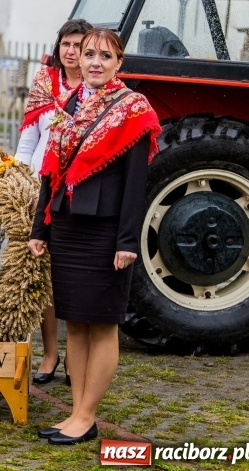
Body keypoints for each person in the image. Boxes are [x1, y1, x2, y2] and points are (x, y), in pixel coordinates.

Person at [29, 28, 161, 445]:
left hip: (106, 232)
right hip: (67, 226)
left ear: (119, 63)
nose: (95, 62)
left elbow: (136, 183)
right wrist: (40, 228)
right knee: (76, 324)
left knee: (102, 325)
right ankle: (75, 414)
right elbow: (50, 170)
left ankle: (86, 416)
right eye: (89, 54)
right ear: (79, 59)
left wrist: (127, 242)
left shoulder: (134, 109)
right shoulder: (68, 103)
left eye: (106, 56)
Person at [17, 19, 92, 386]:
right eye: (66, 44)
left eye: (79, 45)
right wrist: (19, 178)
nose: (71, 51)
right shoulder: (44, 84)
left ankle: (78, 358)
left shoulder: (98, 90)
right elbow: (29, 139)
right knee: (43, 277)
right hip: (40, 189)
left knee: (72, 276)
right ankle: (49, 354)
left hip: (78, 192)